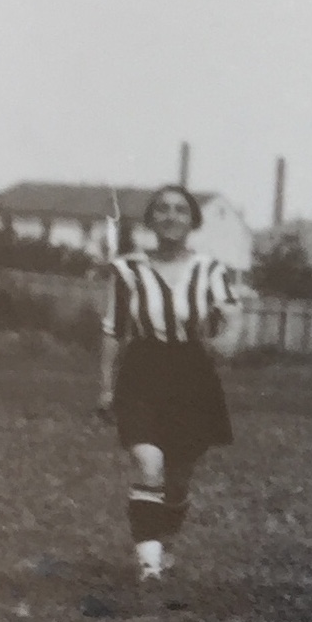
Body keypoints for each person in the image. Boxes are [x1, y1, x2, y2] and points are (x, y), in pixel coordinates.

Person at [95, 184, 242, 592]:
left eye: (180, 209)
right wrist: (105, 388)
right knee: (149, 463)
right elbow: (113, 331)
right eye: (162, 209)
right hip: (142, 369)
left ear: (193, 220)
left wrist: (224, 341)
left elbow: (232, 319)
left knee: (177, 478)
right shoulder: (127, 270)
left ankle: (165, 543)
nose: (171, 216)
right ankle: (150, 566)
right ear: (150, 219)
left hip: (193, 374)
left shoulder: (211, 270)